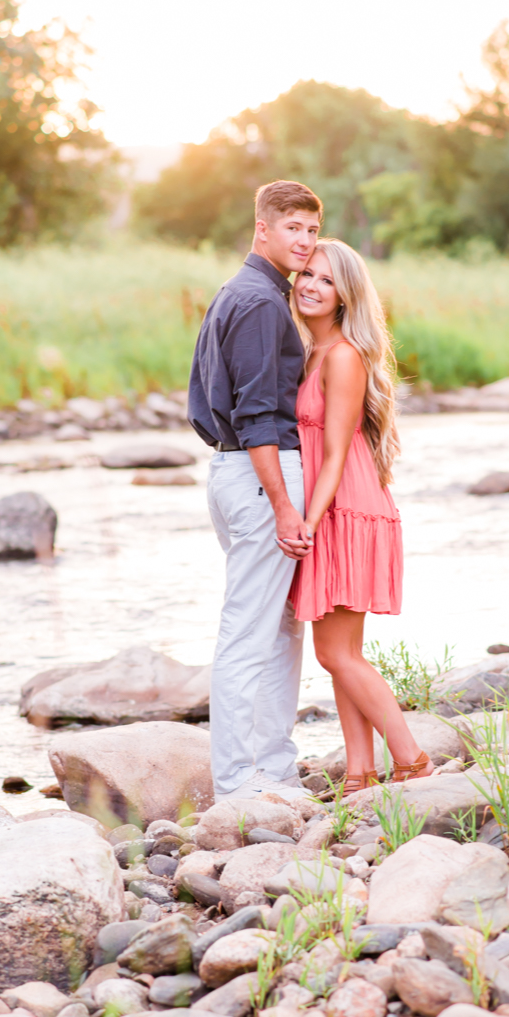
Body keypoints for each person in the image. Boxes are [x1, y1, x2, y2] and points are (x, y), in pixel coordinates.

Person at [188, 179, 321, 804]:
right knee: (251, 631)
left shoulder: (236, 293)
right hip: (262, 476)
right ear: (262, 228)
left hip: (234, 471)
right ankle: (239, 782)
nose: (305, 240)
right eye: (293, 227)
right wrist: (284, 505)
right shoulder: (262, 303)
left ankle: (273, 768)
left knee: (279, 626)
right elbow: (257, 414)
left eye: (312, 229)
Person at [288, 238, 430, 794]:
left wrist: (309, 521)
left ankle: (412, 759)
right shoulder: (313, 352)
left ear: (345, 295)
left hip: (343, 509)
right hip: (334, 506)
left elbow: (336, 452)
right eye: (307, 274)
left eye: (326, 280)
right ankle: (359, 774)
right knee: (342, 654)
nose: (311, 286)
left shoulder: (343, 356)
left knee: (334, 652)